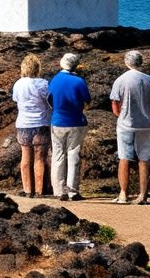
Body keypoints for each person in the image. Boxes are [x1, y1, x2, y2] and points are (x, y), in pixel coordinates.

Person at [109, 49, 150, 204]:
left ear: (126, 62)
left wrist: (120, 116)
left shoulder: (120, 80)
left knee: (124, 157)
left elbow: (115, 104)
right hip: (146, 124)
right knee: (144, 158)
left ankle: (123, 194)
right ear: (141, 62)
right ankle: (142, 195)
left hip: (126, 124)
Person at [48, 52, 91, 201]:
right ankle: (72, 191)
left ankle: (59, 191)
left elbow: (50, 99)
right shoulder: (79, 81)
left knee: (58, 155)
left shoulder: (54, 80)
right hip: (76, 121)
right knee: (73, 154)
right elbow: (87, 100)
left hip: (57, 121)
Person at [10, 53, 52, 196]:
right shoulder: (43, 83)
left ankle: (28, 190)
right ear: (37, 68)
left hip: (23, 123)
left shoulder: (18, 83)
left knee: (25, 156)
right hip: (41, 122)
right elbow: (50, 101)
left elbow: (16, 100)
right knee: (40, 158)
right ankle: (40, 190)